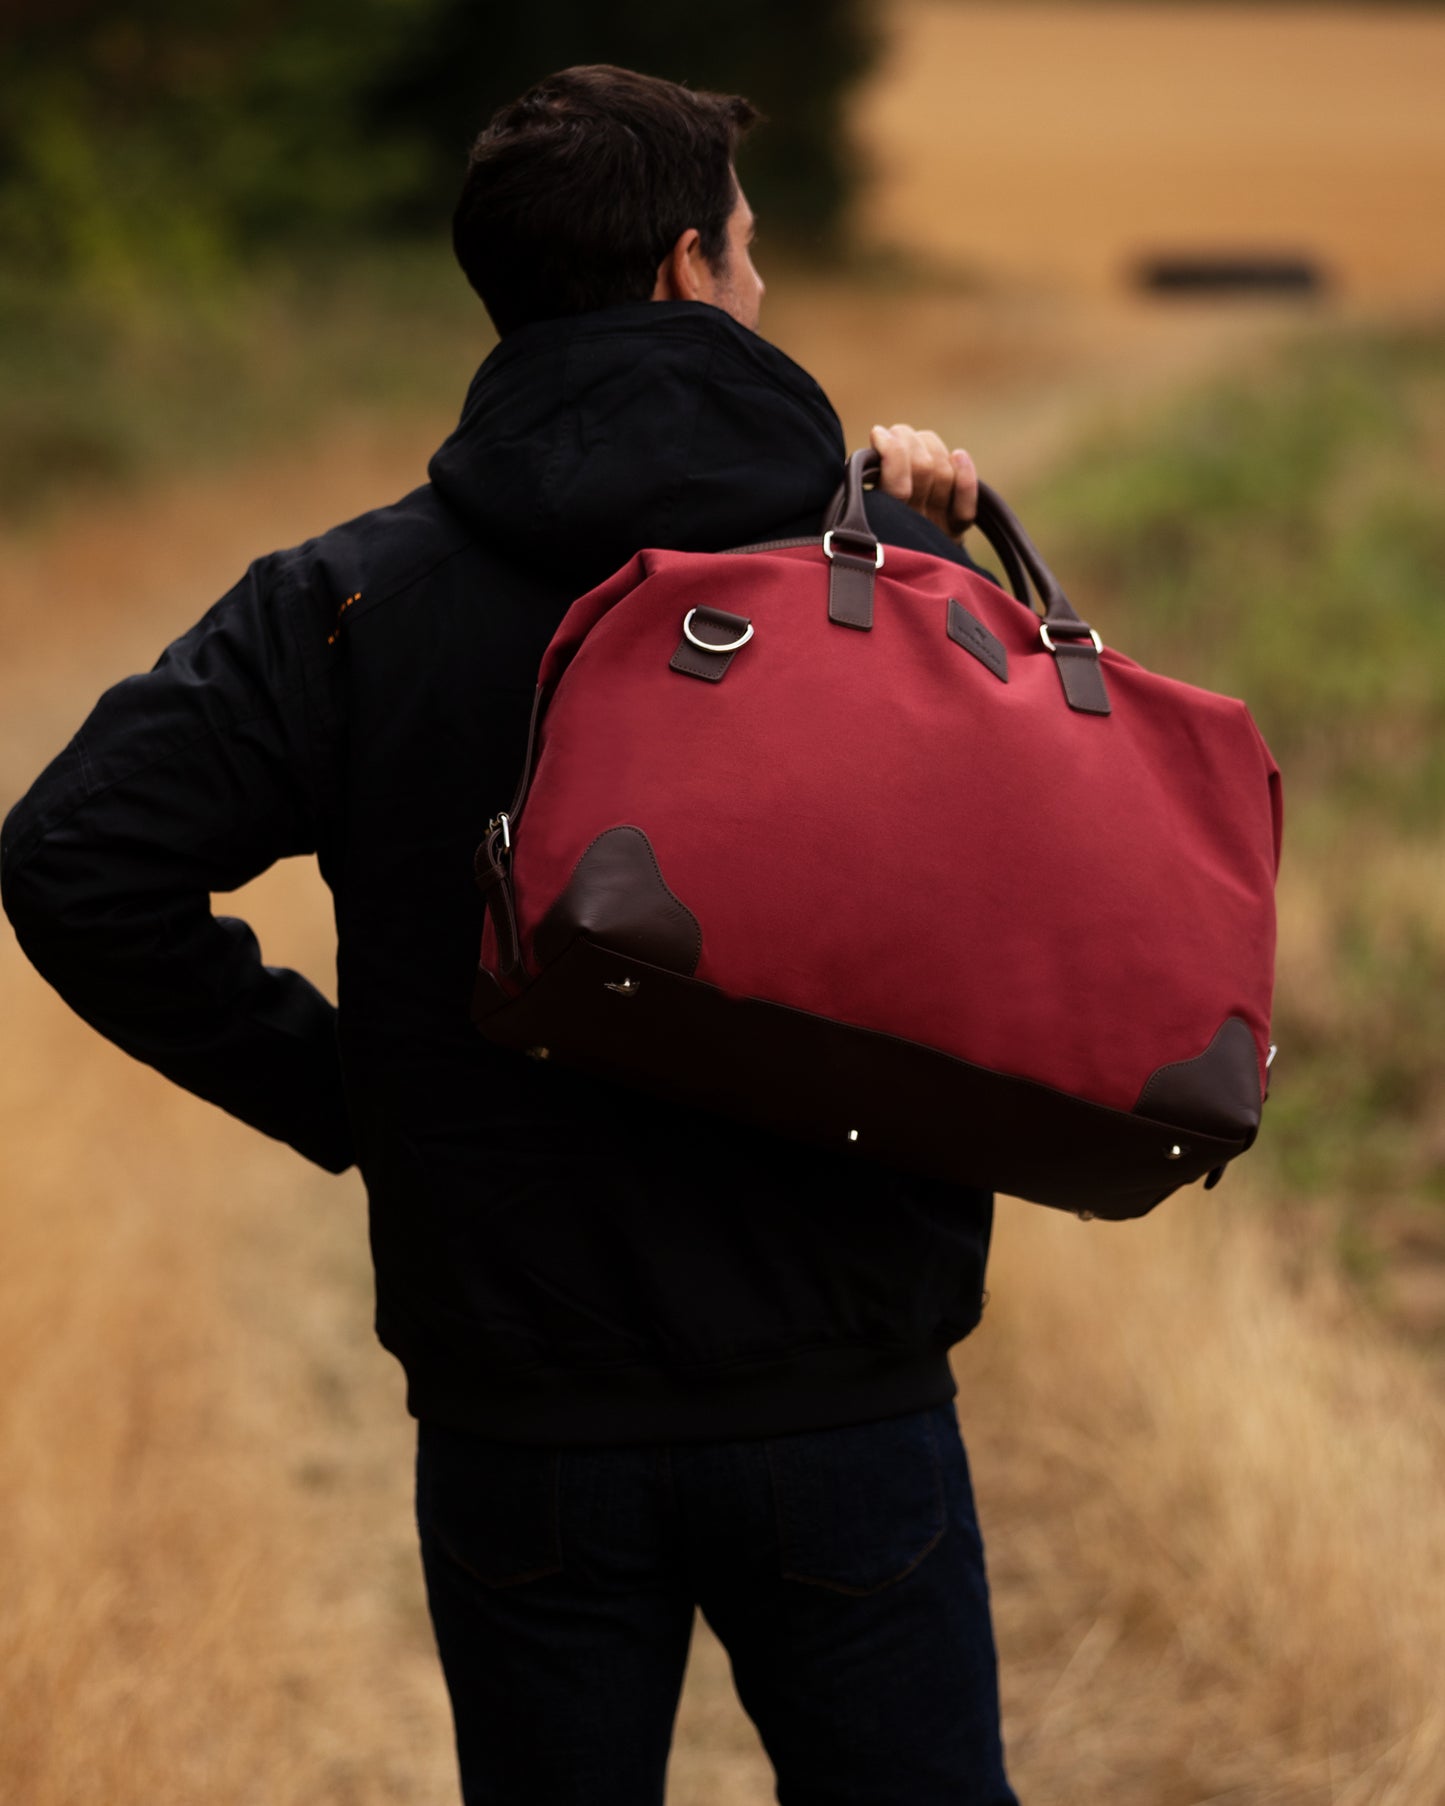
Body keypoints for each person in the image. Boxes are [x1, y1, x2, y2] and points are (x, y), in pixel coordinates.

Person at [1, 63, 1019, 1806]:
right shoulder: (855, 575)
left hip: (522, 1416)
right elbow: (1029, 869)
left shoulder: (343, 600)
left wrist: (351, 1094)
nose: (763, 289)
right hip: (841, 1393)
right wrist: (941, 590)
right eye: (753, 253)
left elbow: (74, 856)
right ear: (687, 268)